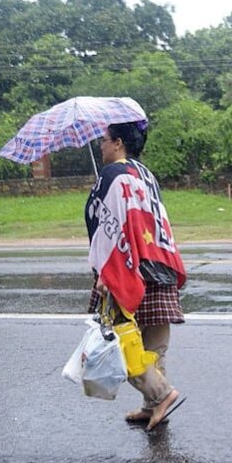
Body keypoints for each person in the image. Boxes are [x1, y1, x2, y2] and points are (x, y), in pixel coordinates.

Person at [85, 120, 187, 431]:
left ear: (117, 143)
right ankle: (152, 405)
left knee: (120, 340)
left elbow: (110, 226)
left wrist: (106, 271)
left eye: (104, 140)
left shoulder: (113, 174)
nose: (100, 146)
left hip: (132, 266)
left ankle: (161, 393)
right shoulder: (145, 174)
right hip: (161, 259)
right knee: (154, 342)